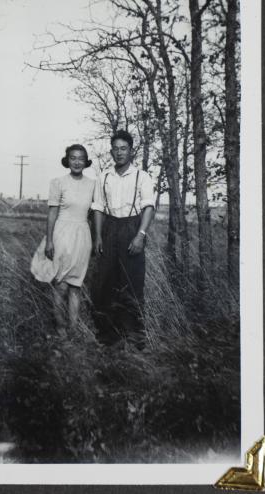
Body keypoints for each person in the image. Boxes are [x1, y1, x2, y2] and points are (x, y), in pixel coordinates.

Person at [92, 130, 155, 345]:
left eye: (123, 149)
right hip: (109, 228)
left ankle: (136, 337)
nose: (119, 153)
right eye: (116, 149)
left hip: (132, 228)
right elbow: (98, 208)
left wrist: (140, 235)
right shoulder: (104, 177)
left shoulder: (142, 176)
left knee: (132, 283)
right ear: (111, 151)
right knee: (105, 283)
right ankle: (108, 337)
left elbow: (148, 207)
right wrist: (98, 236)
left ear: (131, 151)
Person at [31, 144, 95, 336]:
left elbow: (95, 213)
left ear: (86, 162)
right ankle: (61, 330)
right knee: (60, 286)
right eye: (73, 158)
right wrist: (49, 241)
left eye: (81, 158)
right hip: (61, 236)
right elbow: (52, 214)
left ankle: (74, 329)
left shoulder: (93, 184)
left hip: (82, 236)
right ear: (67, 160)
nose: (77, 162)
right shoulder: (57, 182)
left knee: (76, 286)